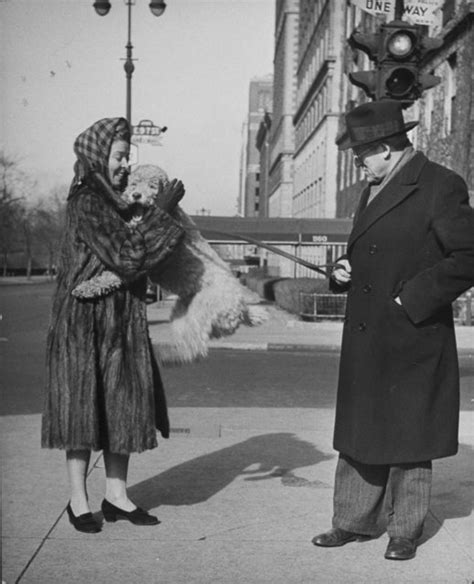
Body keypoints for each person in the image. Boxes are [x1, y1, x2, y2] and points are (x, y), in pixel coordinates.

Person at [312, 100, 474, 560]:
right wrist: (343, 269)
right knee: (362, 426)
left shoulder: (441, 186)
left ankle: (405, 530)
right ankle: (352, 522)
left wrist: (413, 298)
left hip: (412, 333)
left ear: (383, 148)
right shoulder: (376, 186)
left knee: (409, 434)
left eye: (361, 155)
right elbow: (374, 252)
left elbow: (468, 256)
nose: (358, 163)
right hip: (369, 334)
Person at [42, 117, 185, 533]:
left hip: (120, 318)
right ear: (97, 156)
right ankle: (78, 499)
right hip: (84, 321)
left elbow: (141, 256)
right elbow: (127, 256)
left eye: (127, 157)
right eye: (119, 156)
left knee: (122, 406)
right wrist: (161, 215)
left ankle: (116, 495)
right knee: (81, 410)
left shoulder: (119, 201)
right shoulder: (88, 200)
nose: (125, 165)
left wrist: (155, 215)